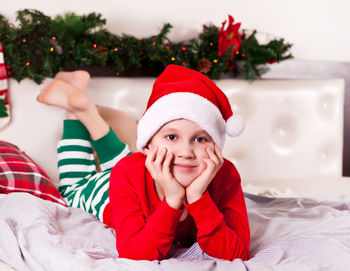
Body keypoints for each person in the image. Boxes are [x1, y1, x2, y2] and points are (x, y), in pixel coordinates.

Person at [37, 65, 250, 262]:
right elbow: (134, 254)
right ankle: (78, 110)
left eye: (200, 139)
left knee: (126, 163)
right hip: (105, 191)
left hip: (134, 171)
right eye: (172, 137)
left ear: (216, 146)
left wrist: (198, 198)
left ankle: (82, 106)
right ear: (148, 145)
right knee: (72, 190)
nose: (186, 152)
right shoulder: (129, 172)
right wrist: (173, 200)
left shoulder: (226, 175)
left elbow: (238, 252)